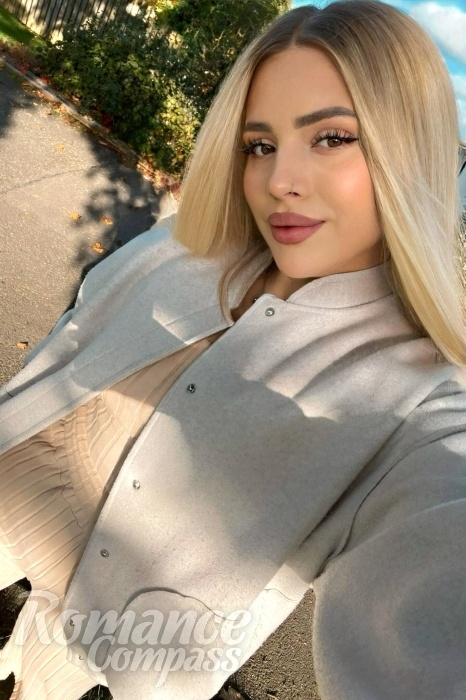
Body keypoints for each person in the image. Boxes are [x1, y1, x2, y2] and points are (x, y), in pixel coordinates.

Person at [1, 1, 466, 698]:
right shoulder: (186, 246)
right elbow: (76, 337)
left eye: (332, 138)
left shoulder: (419, 402)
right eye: (260, 145)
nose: (279, 180)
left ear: (412, 155)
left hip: (101, 660)